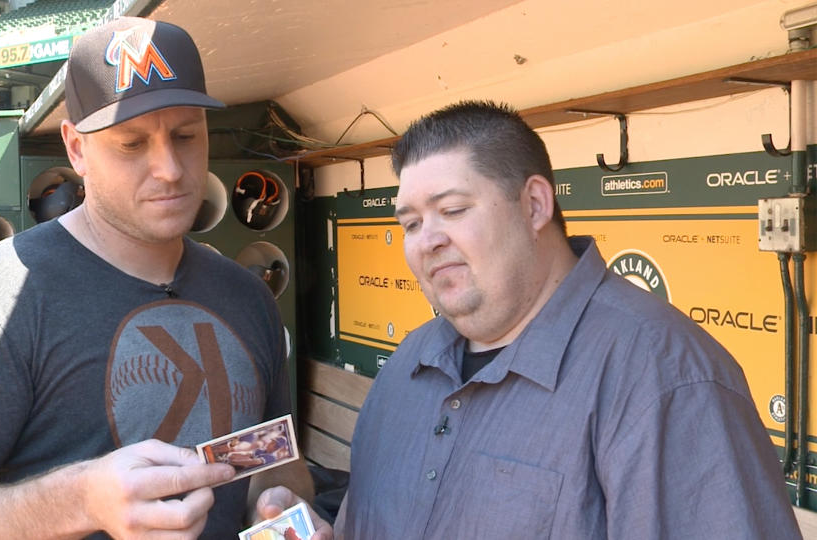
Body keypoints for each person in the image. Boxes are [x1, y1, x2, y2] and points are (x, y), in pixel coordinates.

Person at [0, 16, 330, 540]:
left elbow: (271, 460)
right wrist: (80, 502)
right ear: (76, 148)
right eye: (132, 144)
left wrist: (277, 500)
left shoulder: (249, 297)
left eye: (185, 135)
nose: (170, 169)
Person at [335, 100, 802, 538]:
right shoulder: (407, 362)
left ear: (535, 205)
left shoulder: (666, 376)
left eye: (452, 210)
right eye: (411, 224)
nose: (426, 241)